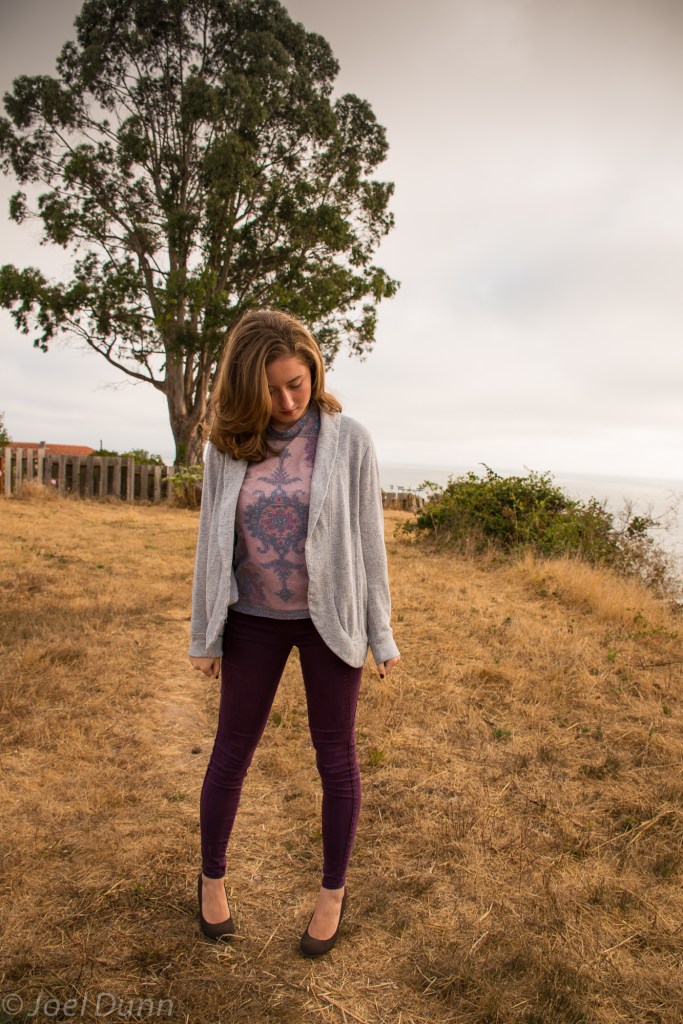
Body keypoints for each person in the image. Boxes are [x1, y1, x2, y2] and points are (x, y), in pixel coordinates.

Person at [188, 308, 400, 956]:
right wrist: (205, 635)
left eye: (297, 384)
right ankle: (210, 879)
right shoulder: (225, 448)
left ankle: (332, 892)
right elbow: (208, 544)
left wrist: (380, 633)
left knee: (335, 758)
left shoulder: (350, 440)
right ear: (246, 388)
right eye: (272, 389)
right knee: (231, 754)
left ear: (313, 373)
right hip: (252, 620)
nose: (286, 400)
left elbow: (368, 540)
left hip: (326, 621)